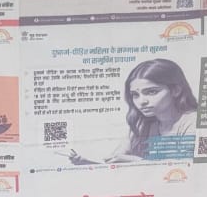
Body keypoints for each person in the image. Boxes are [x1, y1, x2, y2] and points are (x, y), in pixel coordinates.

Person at [67, 59, 198, 165]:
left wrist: (135, 161)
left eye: (152, 92)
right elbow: (115, 159)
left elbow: (189, 168)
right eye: (135, 95)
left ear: (176, 90)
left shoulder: (193, 121)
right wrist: (87, 162)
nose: (141, 101)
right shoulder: (142, 125)